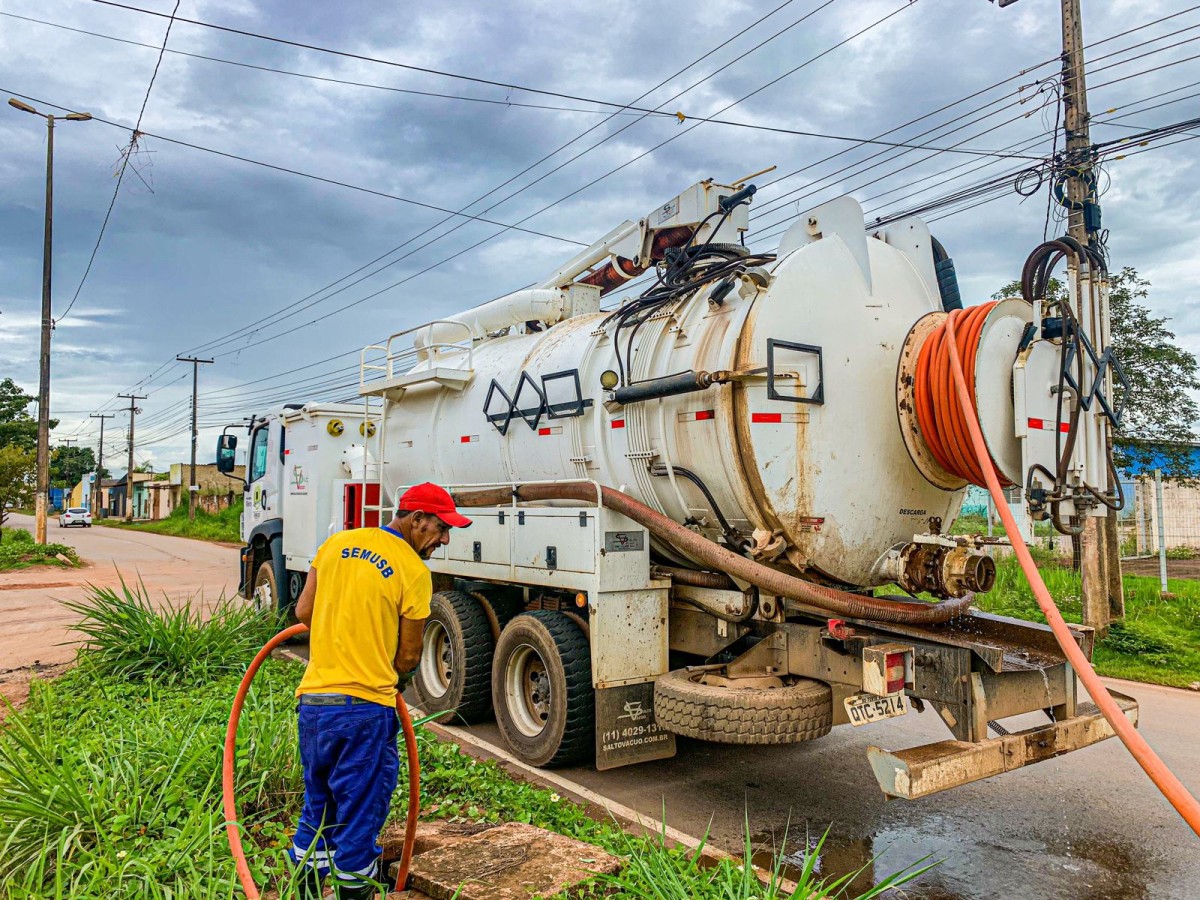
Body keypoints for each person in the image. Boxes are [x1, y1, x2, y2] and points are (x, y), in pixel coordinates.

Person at [288, 482, 471, 899]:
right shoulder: (412, 569)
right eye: (441, 528)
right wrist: (388, 670)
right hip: (364, 710)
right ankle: (355, 891)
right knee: (361, 813)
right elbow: (409, 655)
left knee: (319, 807)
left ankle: (305, 892)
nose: (444, 539)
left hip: (314, 704)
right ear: (416, 519)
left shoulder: (336, 544)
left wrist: (346, 632)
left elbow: (304, 612)